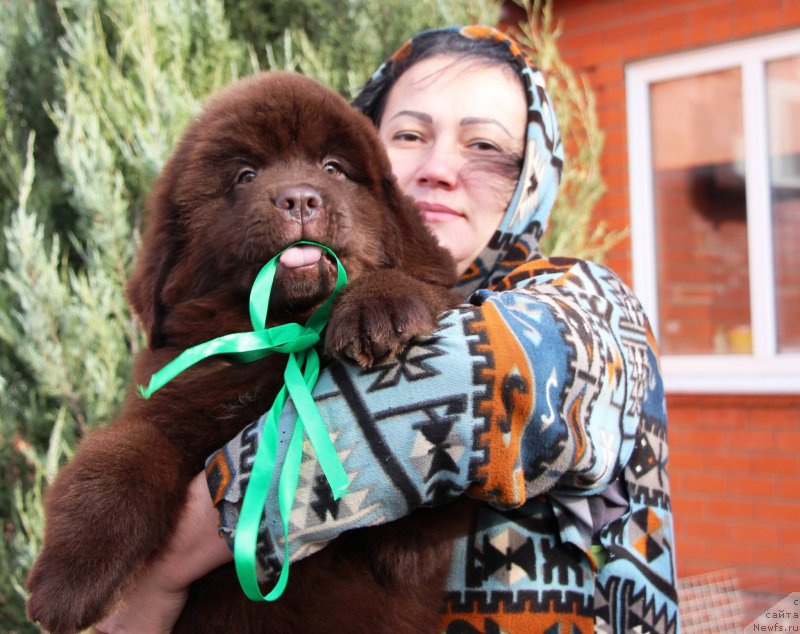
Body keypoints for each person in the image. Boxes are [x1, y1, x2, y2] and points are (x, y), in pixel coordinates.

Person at [98, 25, 679, 633]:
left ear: (530, 182)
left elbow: (467, 385)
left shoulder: (589, 303)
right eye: (409, 135)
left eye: (485, 146)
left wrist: (165, 565)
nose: (439, 168)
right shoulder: (282, 318)